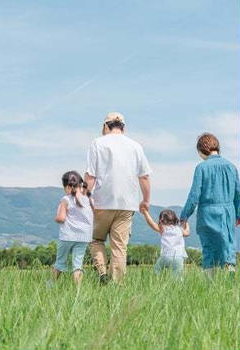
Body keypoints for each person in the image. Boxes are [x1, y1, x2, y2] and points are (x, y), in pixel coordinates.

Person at [85, 112, 152, 283]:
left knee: (96, 239)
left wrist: (85, 197)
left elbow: (90, 175)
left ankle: (101, 272)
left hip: (102, 202)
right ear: (124, 127)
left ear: (105, 126)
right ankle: (116, 285)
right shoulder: (136, 146)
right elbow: (144, 177)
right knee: (119, 247)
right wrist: (145, 200)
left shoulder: (97, 143)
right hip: (127, 204)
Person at [180, 133, 240, 274]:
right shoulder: (232, 167)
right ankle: (228, 283)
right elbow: (238, 194)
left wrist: (184, 216)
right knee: (228, 248)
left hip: (207, 214)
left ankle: (210, 286)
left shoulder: (201, 168)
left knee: (209, 250)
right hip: (227, 213)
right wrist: (238, 214)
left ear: (201, 150)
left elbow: (194, 196)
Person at [53, 171, 93, 285]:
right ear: (80, 184)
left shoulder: (66, 199)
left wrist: (56, 218)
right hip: (84, 237)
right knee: (77, 265)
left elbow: (61, 218)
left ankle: (51, 285)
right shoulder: (88, 199)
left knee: (60, 263)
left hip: (67, 236)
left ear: (67, 186)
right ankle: (78, 290)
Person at [142, 208, 189, 277]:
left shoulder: (163, 229)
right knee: (177, 277)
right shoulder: (179, 229)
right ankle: (177, 286)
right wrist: (187, 224)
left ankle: (157, 281)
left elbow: (151, 223)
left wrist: (145, 213)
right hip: (178, 257)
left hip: (165, 256)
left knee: (156, 270)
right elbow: (187, 233)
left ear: (161, 220)